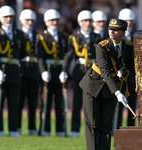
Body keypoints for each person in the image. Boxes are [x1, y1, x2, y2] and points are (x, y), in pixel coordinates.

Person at [79, 18, 134, 150]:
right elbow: (105, 72)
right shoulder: (102, 46)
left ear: (123, 32)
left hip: (111, 88)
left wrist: (124, 71)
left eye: (116, 30)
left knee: (106, 124)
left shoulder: (128, 47)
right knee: (93, 124)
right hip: (93, 86)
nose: (112, 32)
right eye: (110, 29)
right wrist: (117, 92)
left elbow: (131, 67)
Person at [0, 5, 25, 137]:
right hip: (1, 71)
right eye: (6, 17)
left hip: (14, 71)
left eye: (10, 17)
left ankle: (13, 129)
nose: (8, 19)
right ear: (0, 19)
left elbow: (22, 53)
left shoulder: (19, 35)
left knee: (14, 102)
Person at [66, 10, 101, 138]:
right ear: (80, 23)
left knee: (92, 104)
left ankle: (92, 129)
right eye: (85, 21)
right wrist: (64, 70)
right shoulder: (74, 38)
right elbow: (69, 55)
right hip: (79, 72)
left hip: (93, 72)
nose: (87, 23)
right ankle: (75, 130)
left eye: (89, 21)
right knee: (77, 103)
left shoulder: (97, 38)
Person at [36, 9, 68, 137]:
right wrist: (43, 71)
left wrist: (65, 71)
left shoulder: (64, 37)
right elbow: (39, 57)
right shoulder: (41, 37)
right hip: (48, 72)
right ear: (46, 22)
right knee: (46, 103)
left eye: (55, 20)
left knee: (60, 104)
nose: (54, 22)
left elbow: (67, 54)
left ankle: (60, 130)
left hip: (59, 72)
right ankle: (45, 129)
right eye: (51, 20)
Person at [18, 9, 39, 135]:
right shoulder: (18, 34)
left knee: (33, 102)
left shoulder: (37, 35)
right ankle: (18, 127)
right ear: (22, 21)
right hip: (22, 71)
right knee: (19, 102)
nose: (29, 22)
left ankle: (32, 128)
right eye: (27, 20)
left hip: (34, 71)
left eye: (31, 20)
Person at [115, 8, 136, 129]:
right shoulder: (116, 36)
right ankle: (116, 128)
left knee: (132, 101)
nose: (129, 22)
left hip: (131, 73)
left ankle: (131, 128)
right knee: (118, 102)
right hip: (119, 73)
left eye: (130, 20)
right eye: (126, 20)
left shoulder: (136, 35)